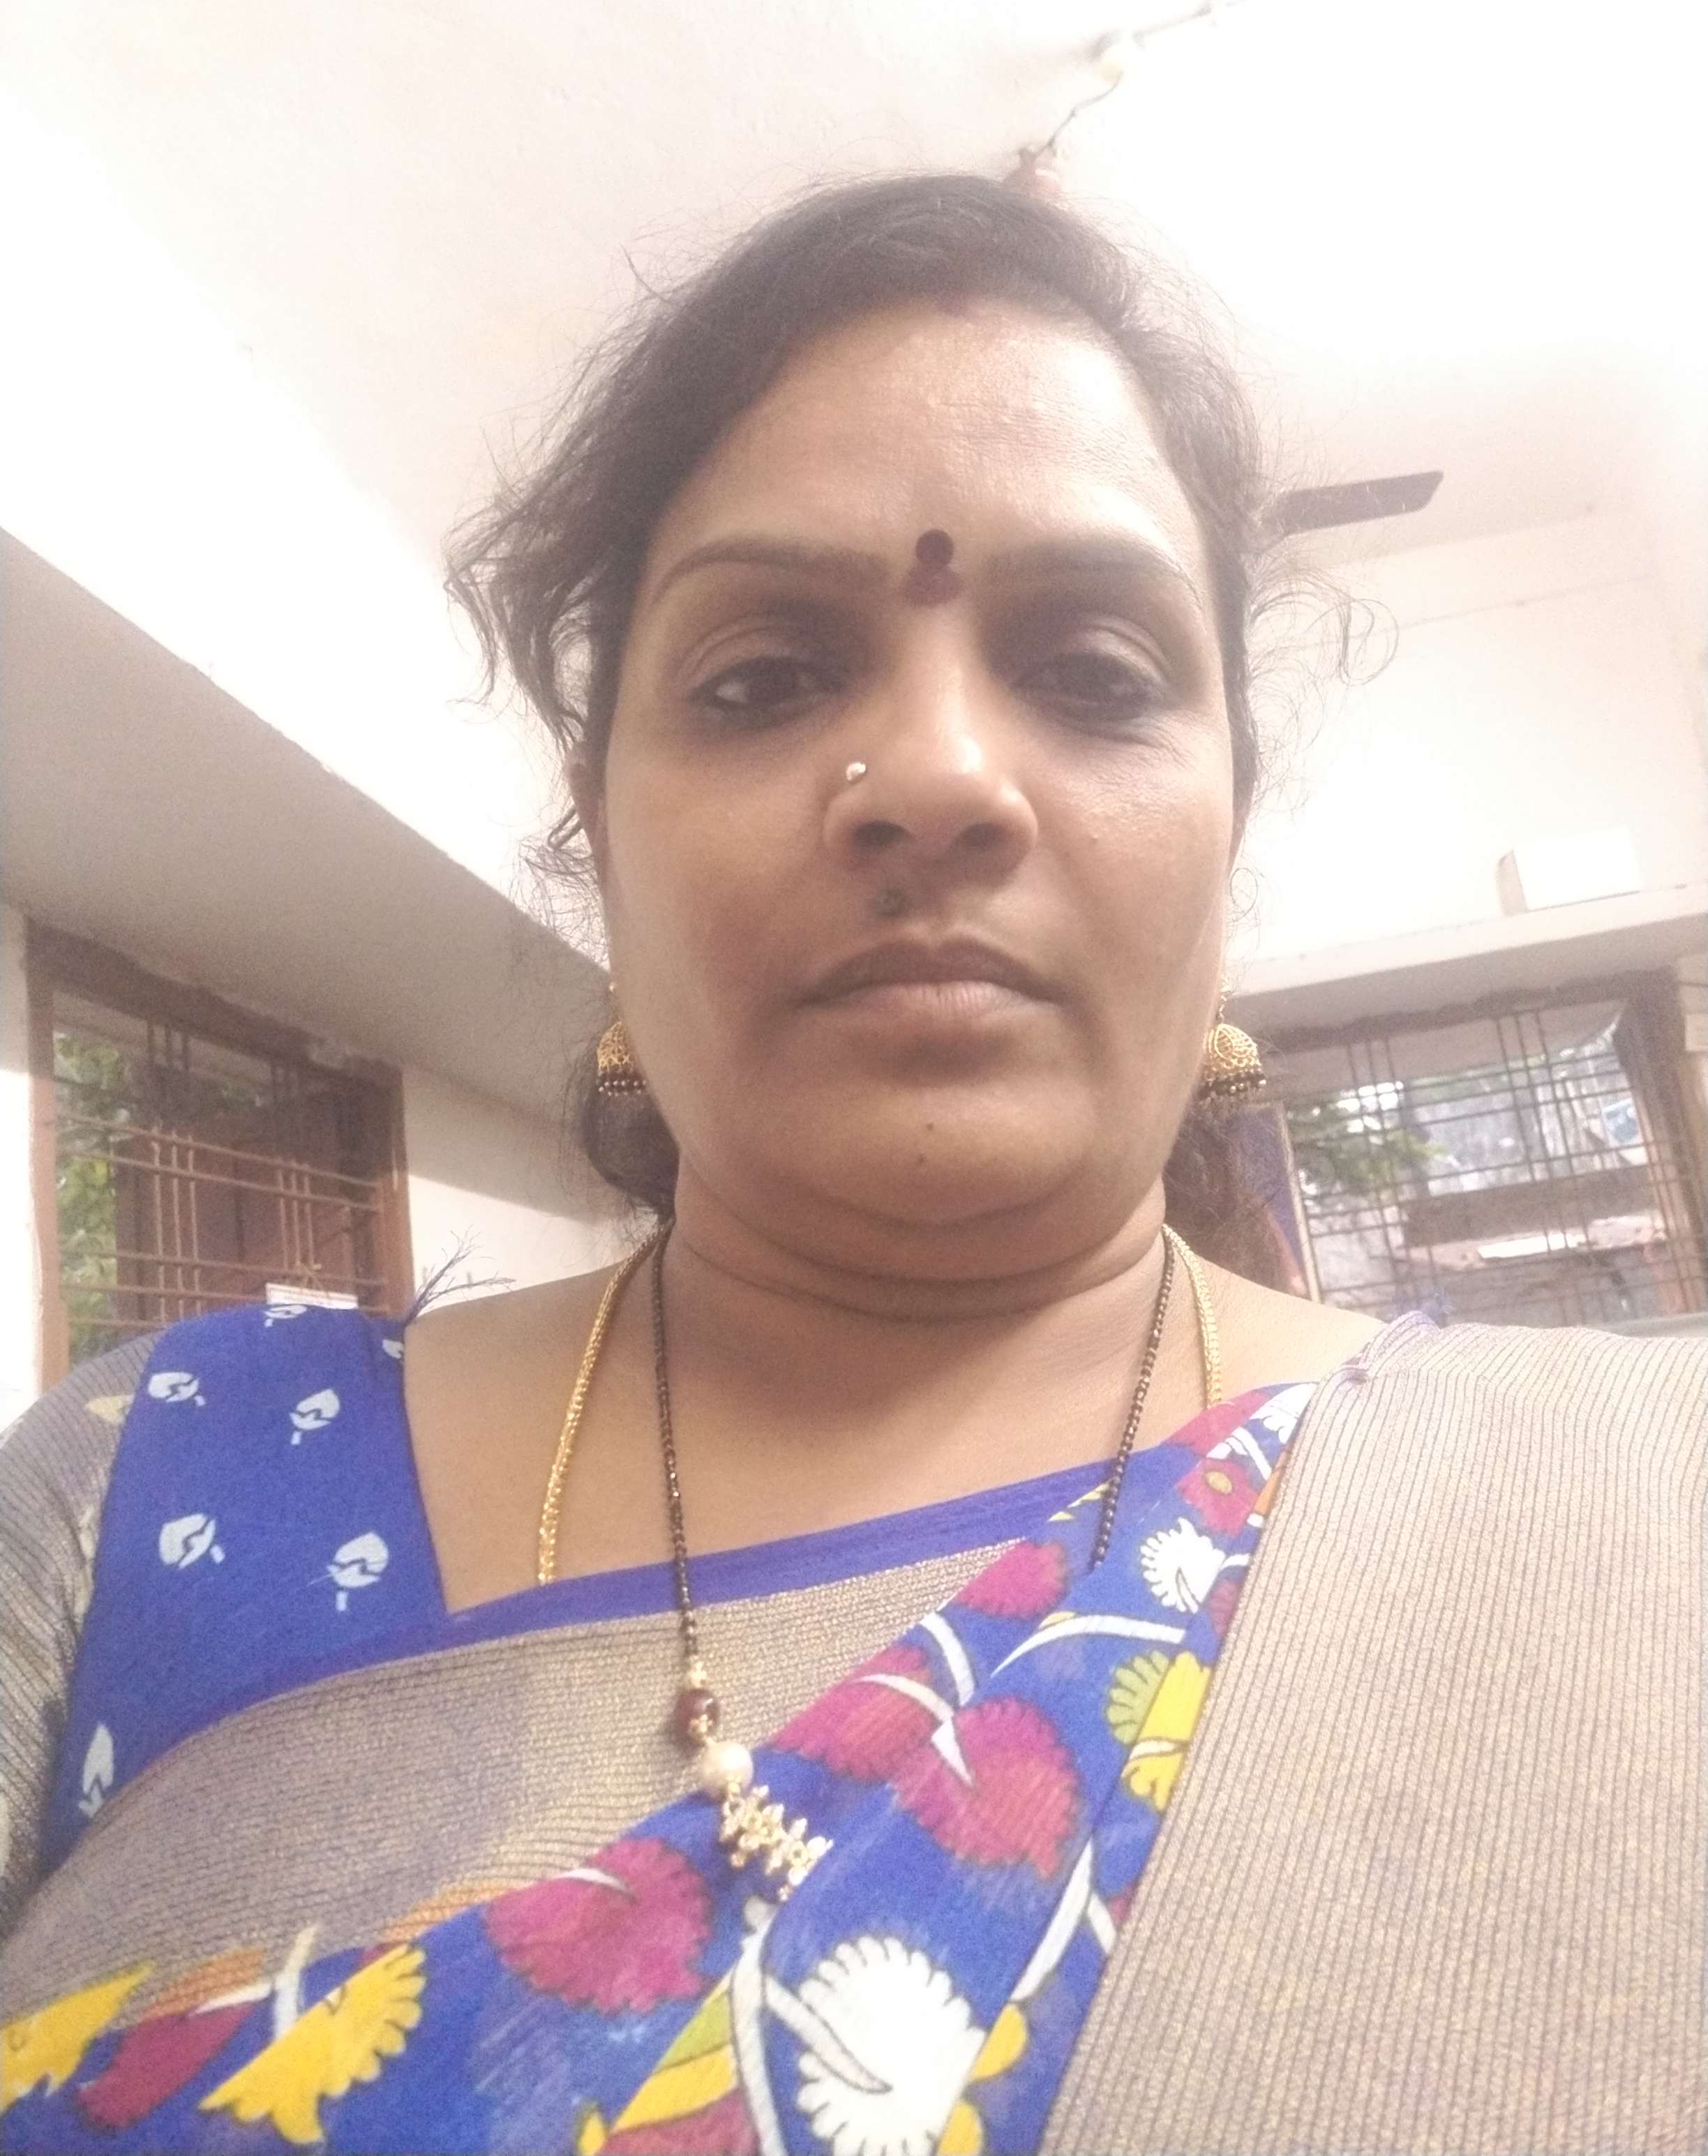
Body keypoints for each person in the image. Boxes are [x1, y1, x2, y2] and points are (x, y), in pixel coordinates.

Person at [1, 177, 1701, 2155]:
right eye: (764, 678)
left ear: (1228, 821)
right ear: (602, 835)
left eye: (1095, 671)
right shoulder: (151, 1493)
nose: (944, 781)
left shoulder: (1640, 1511)